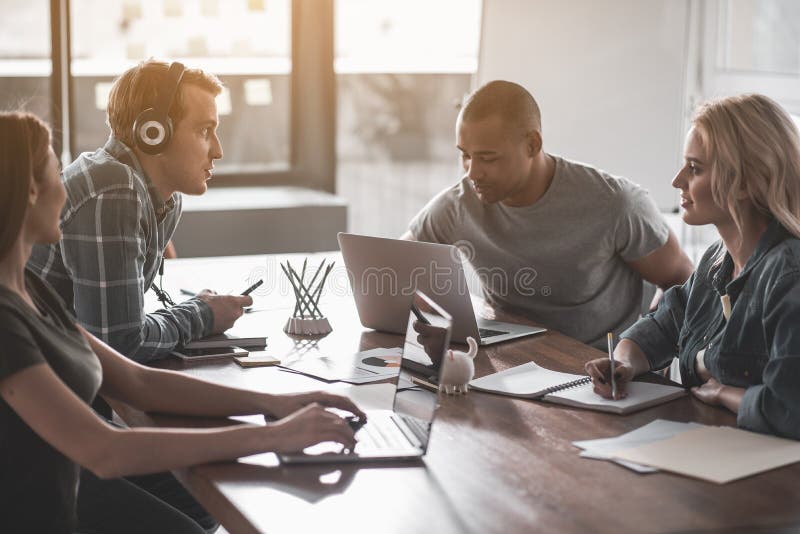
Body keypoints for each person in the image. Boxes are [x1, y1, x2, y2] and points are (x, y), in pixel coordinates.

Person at [0, 111, 364, 533]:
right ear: (29, 190)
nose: (66, 190)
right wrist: (273, 437)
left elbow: (138, 383)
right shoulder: (5, 321)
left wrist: (276, 404)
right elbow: (104, 449)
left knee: (201, 507)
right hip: (43, 513)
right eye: (56, 174)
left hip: (70, 486)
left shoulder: (30, 290)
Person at [403, 80, 693, 348]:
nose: (472, 172)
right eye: (465, 154)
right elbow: (396, 265)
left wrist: (644, 347)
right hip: (505, 363)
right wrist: (434, 314)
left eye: (487, 158)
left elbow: (683, 283)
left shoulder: (615, 203)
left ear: (532, 145)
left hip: (598, 372)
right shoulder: (458, 204)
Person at [585, 94, 800, 440]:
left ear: (747, 182)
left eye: (695, 169)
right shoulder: (717, 261)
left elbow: (791, 409)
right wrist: (623, 362)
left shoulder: (789, 275)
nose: (677, 180)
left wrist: (726, 394)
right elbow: (665, 324)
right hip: (715, 444)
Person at [28, 59, 248, 363]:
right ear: (154, 132)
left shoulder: (163, 197)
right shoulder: (113, 190)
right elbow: (120, 344)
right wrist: (203, 315)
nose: (218, 150)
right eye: (204, 131)